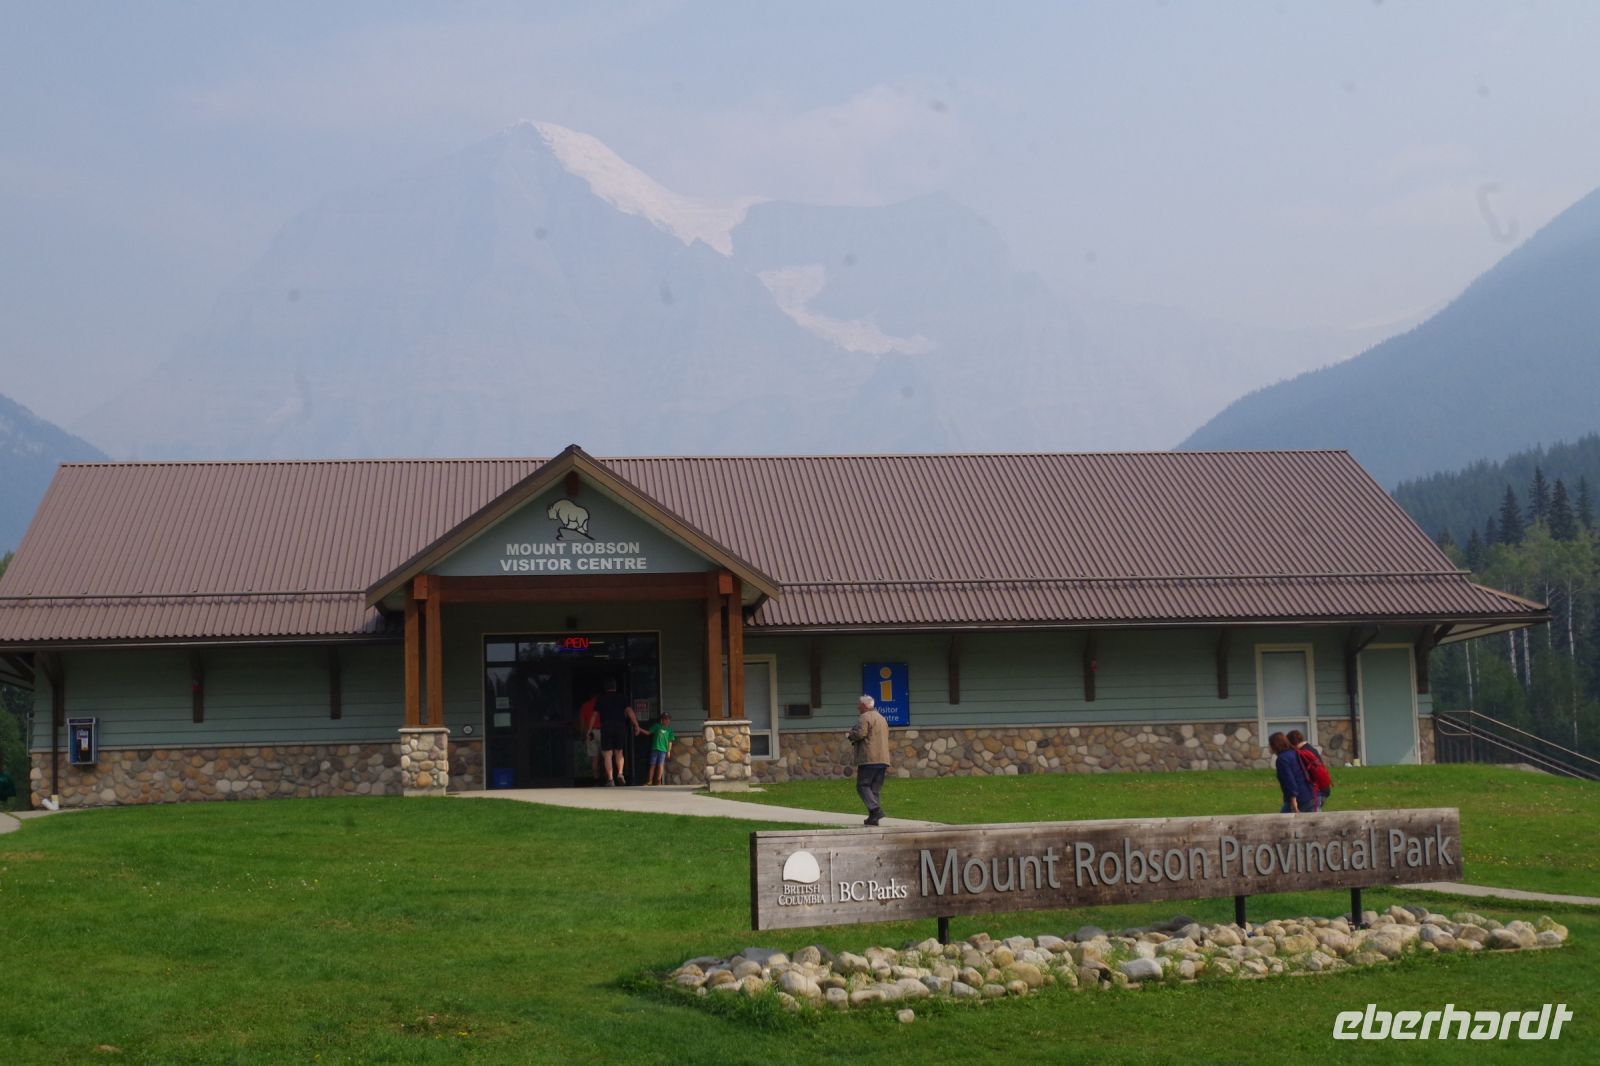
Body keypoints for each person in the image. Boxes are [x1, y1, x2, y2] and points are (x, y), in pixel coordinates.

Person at [847, 694, 891, 826]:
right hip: (883, 759)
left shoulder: (865, 717)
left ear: (864, 706)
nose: (857, 707)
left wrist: (850, 735)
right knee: (874, 790)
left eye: (859, 705)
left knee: (863, 785)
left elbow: (861, 733)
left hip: (869, 758)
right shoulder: (882, 718)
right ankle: (873, 818)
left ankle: (876, 810)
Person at [595, 677, 645, 786]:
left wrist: (589, 729)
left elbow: (594, 715)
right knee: (619, 752)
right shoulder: (622, 697)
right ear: (615, 687)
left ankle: (610, 779)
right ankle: (620, 774)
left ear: (605, 688)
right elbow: (629, 711)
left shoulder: (601, 698)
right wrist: (636, 725)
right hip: (620, 727)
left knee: (607, 754)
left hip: (606, 726)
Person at [1269, 731, 1315, 814]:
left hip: (1299, 799)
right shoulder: (1295, 753)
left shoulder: (1282, 759)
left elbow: (1289, 780)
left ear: (1274, 745)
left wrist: (1293, 802)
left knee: (1281, 823)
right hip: (1310, 794)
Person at [1287, 729, 1332, 812]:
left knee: (1314, 821)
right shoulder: (1311, 749)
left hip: (1316, 792)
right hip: (1323, 788)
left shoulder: (1302, 753)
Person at [576, 693, 602, 781]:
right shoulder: (602, 704)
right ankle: (609, 778)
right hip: (603, 731)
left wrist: (582, 734)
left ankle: (596, 778)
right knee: (607, 756)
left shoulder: (585, 706)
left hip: (591, 733)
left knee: (594, 757)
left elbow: (582, 722)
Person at [646, 712, 675, 785]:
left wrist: (668, 751)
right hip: (655, 748)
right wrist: (639, 729)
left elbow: (670, 741)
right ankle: (650, 781)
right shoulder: (657, 726)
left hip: (663, 750)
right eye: (665, 719)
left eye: (668, 719)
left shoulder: (670, 730)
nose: (667, 720)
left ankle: (658, 780)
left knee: (660, 765)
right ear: (662, 720)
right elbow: (648, 732)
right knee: (653, 765)